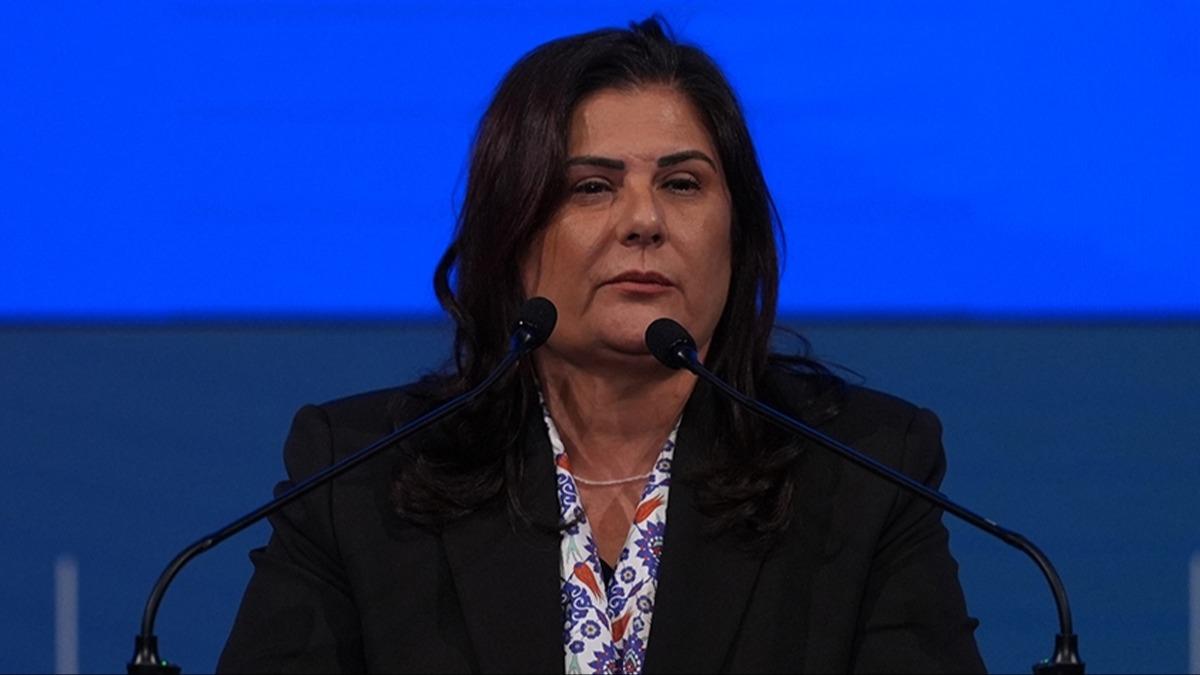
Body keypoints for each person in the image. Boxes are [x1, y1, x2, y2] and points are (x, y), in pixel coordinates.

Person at [218, 17, 985, 674]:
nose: (644, 220)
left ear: (736, 233)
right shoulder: (359, 477)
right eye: (592, 186)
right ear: (510, 233)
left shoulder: (865, 472)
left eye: (682, 184)